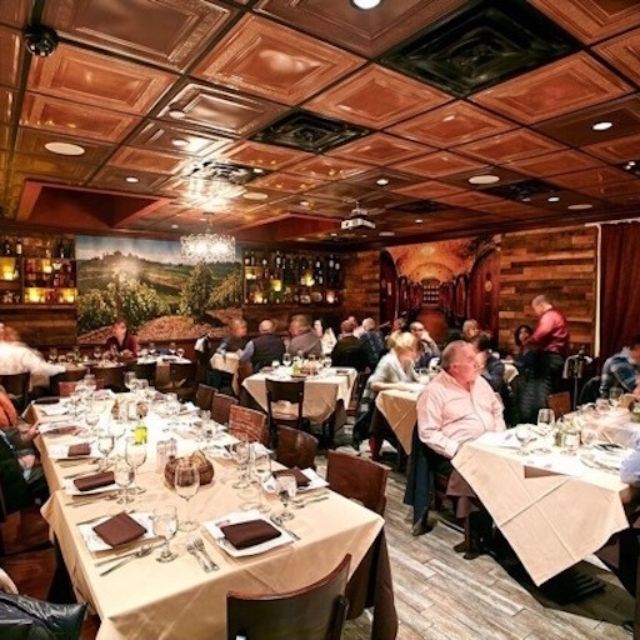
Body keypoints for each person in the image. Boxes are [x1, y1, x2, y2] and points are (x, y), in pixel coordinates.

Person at [413, 341, 505, 544]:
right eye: (471, 359)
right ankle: (481, 536)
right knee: (481, 474)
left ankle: (511, 528)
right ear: (454, 367)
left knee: (517, 468)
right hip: (454, 454)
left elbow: (496, 409)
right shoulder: (434, 391)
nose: (478, 363)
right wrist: (457, 449)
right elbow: (428, 433)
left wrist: (499, 437)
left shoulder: (480, 382)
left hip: (491, 446)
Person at [354, 332, 419, 457]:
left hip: (397, 403)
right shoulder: (388, 361)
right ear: (406, 348)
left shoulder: (407, 362)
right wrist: (397, 386)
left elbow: (415, 379)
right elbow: (374, 384)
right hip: (380, 407)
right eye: (413, 349)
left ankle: (408, 450)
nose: (415, 352)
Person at [0, 390, 48, 514]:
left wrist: (27, 436)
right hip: (11, 481)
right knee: (53, 474)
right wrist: (22, 463)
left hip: (11, 459)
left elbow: (4, 438)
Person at [524, 294, 569, 399]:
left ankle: (542, 409)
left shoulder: (549, 316)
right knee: (552, 391)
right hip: (558, 357)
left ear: (540, 305)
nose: (536, 313)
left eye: (535, 309)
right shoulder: (558, 315)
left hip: (549, 358)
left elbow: (542, 333)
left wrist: (528, 342)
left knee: (543, 390)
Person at [0, 326, 65, 381]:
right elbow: (40, 369)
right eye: (13, 333)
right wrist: (62, 368)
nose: (16, 334)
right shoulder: (22, 352)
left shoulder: (22, 350)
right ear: (5, 336)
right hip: (21, 391)